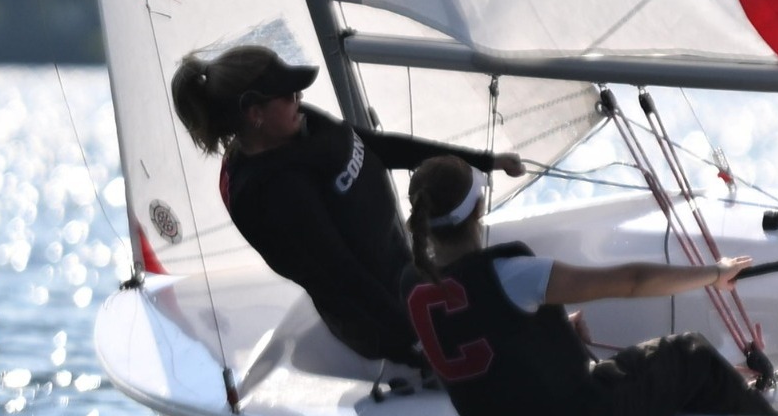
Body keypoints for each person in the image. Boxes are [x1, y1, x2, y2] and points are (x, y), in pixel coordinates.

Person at [403, 154, 778, 416]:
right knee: (691, 355)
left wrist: (548, 339)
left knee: (643, 373)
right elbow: (632, 282)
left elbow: (483, 349)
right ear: (478, 209)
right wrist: (714, 274)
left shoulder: (414, 289)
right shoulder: (513, 274)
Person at [169, 43, 523, 368]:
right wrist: (418, 341)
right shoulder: (269, 191)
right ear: (254, 112)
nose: (299, 95)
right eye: (287, 93)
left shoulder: (297, 125)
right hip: (384, 321)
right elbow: (341, 276)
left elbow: (380, 147)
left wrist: (485, 160)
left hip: (409, 273)